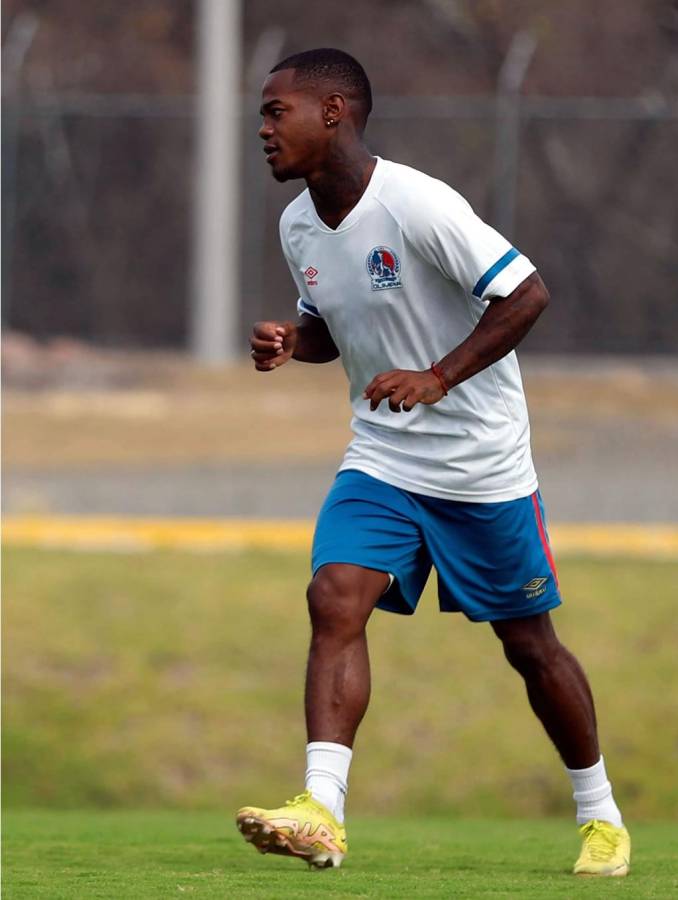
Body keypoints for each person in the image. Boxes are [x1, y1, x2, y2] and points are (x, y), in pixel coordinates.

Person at [237, 47, 630, 878]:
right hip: (381, 457)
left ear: (334, 112)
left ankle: (600, 815)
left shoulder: (416, 203)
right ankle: (321, 811)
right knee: (333, 597)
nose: (263, 129)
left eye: (277, 112)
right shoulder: (297, 224)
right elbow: (333, 331)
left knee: (529, 647)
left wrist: (438, 377)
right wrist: (290, 342)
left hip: (481, 468)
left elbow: (525, 292)